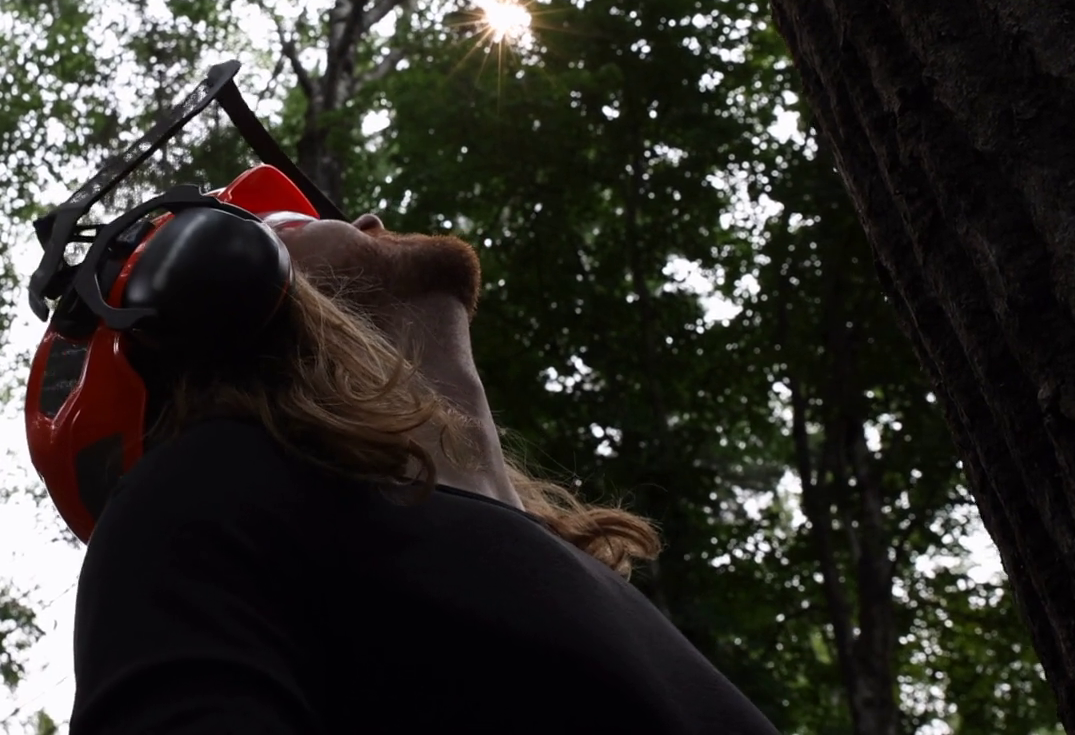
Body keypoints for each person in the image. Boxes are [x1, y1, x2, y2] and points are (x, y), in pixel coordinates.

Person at [69, 210, 782, 734]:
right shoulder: (197, 505)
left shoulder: (597, 587)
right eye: (290, 224)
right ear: (232, 280)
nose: (369, 220)